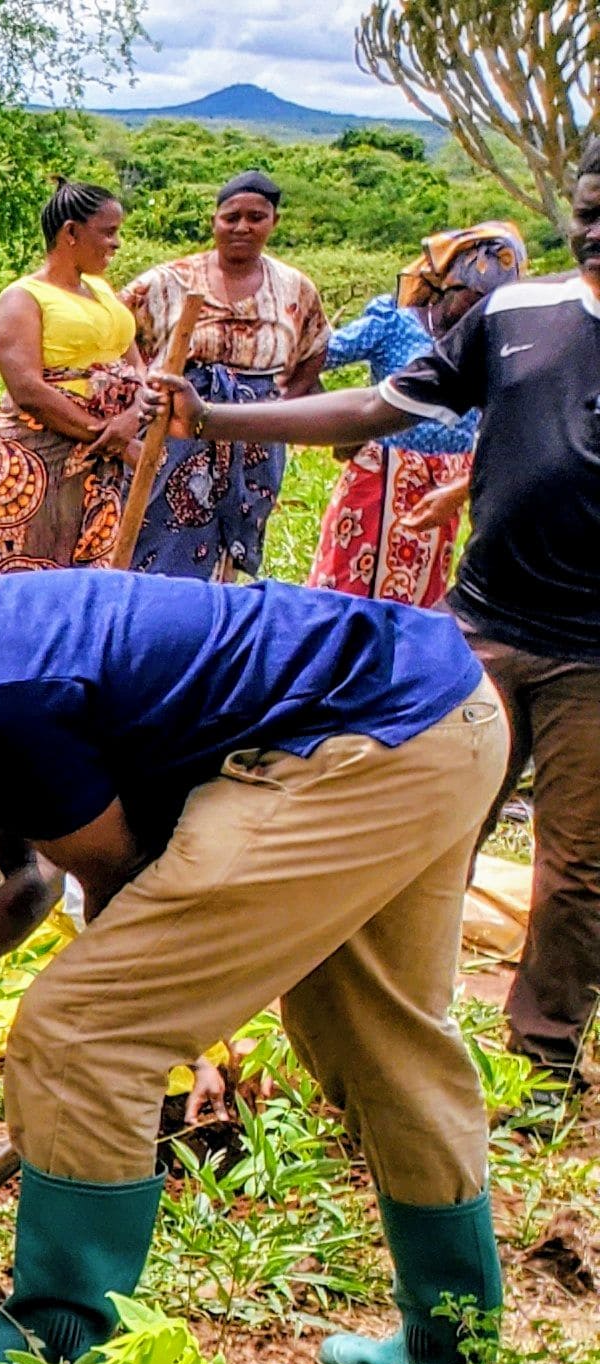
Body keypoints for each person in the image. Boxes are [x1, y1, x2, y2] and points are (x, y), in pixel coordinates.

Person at [0, 563, 510, 1364]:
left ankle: (52, 1346)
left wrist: (174, 1031)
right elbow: (24, 881)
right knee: (380, 1042)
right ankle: (455, 1355)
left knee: (82, 1031)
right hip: (444, 713)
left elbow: (120, 880)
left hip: (354, 747)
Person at [154, 142, 600, 1103]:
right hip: (475, 631)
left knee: (575, 865)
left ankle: (545, 1059)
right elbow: (381, 403)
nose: (595, 229)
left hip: (595, 654)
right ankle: (383, 1041)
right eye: (588, 208)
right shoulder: (518, 314)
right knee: (422, 832)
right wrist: (219, 422)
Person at [121, 172, 327, 582]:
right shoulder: (169, 281)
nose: (242, 227)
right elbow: (113, 330)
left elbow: (314, 347)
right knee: (160, 528)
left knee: (233, 537)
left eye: (256, 217)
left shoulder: (294, 287)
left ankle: (216, 620)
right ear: (214, 221)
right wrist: (140, 385)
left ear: (274, 223)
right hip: (177, 426)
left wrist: (285, 407)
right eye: (231, 217)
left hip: (256, 432)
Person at [310, 222, 523, 608]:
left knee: (420, 601)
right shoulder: (395, 323)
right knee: (346, 594)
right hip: (379, 478)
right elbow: (313, 357)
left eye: (489, 304)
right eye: (471, 298)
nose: (477, 311)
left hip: (446, 485)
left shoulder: (494, 343)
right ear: (447, 286)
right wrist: (344, 432)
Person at [0, 181, 144, 577]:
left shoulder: (105, 293)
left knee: (79, 584)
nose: (117, 243)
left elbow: (137, 368)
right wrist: (107, 435)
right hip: (31, 457)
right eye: (108, 232)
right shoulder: (23, 297)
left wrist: (132, 419)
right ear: (70, 232)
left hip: (98, 464)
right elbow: (28, 390)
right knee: (9, 575)